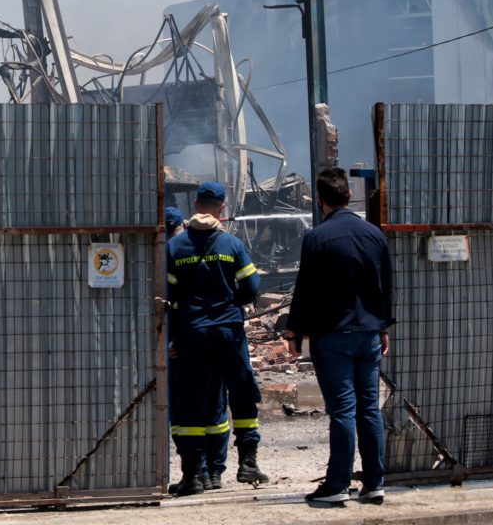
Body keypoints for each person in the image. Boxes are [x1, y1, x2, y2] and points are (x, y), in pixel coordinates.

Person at [284, 167, 394, 505]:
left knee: (344, 411)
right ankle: (374, 482)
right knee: (369, 410)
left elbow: (306, 290)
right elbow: (385, 284)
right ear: (348, 196)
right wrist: (383, 326)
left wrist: (294, 329)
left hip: (333, 337)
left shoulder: (317, 238)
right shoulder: (374, 234)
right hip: (369, 334)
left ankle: (337, 485)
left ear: (320, 201)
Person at [165, 182, 268, 496]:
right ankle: (248, 463)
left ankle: (193, 476)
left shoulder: (175, 248)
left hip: (192, 334)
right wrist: (228, 302)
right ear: (221, 207)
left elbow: (169, 295)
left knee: (192, 403)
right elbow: (252, 288)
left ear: (196, 204)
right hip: (228, 332)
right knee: (241, 393)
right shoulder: (231, 245)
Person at [164, 205, 232, 494]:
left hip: (186, 344)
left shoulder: (170, 254)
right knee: (214, 406)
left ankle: (198, 472)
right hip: (216, 338)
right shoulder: (223, 245)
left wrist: (168, 341)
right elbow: (249, 286)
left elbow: (166, 306)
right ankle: (211, 472)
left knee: (186, 412)